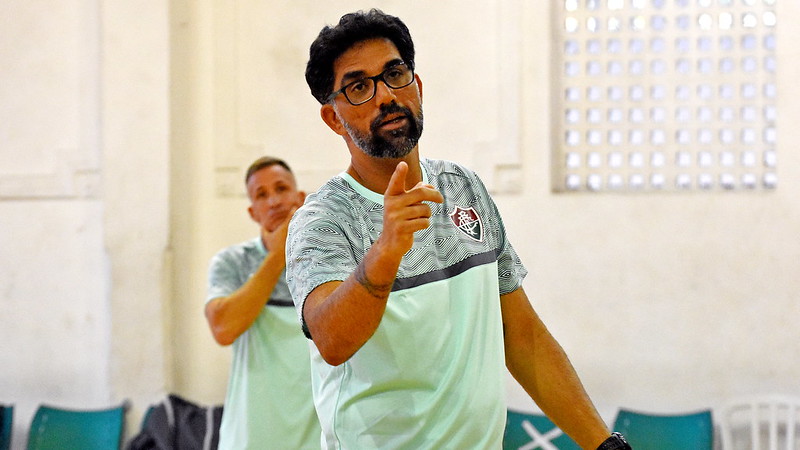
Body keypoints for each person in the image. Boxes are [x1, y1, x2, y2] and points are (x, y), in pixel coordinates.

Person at [286, 9, 631, 450]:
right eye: (358, 87)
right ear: (334, 118)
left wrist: (604, 445)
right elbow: (332, 341)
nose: (385, 95)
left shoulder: (462, 186)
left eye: (395, 74)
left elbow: (522, 337)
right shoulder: (323, 218)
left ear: (418, 86)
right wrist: (385, 252)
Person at [205, 156, 321, 449]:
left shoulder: (327, 259)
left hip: (317, 436)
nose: (274, 201)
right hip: (250, 437)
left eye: (281, 189)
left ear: (300, 198)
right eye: (261, 195)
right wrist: (279, 255)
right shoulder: (232, 262)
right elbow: (223, 329)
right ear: (252, 212)